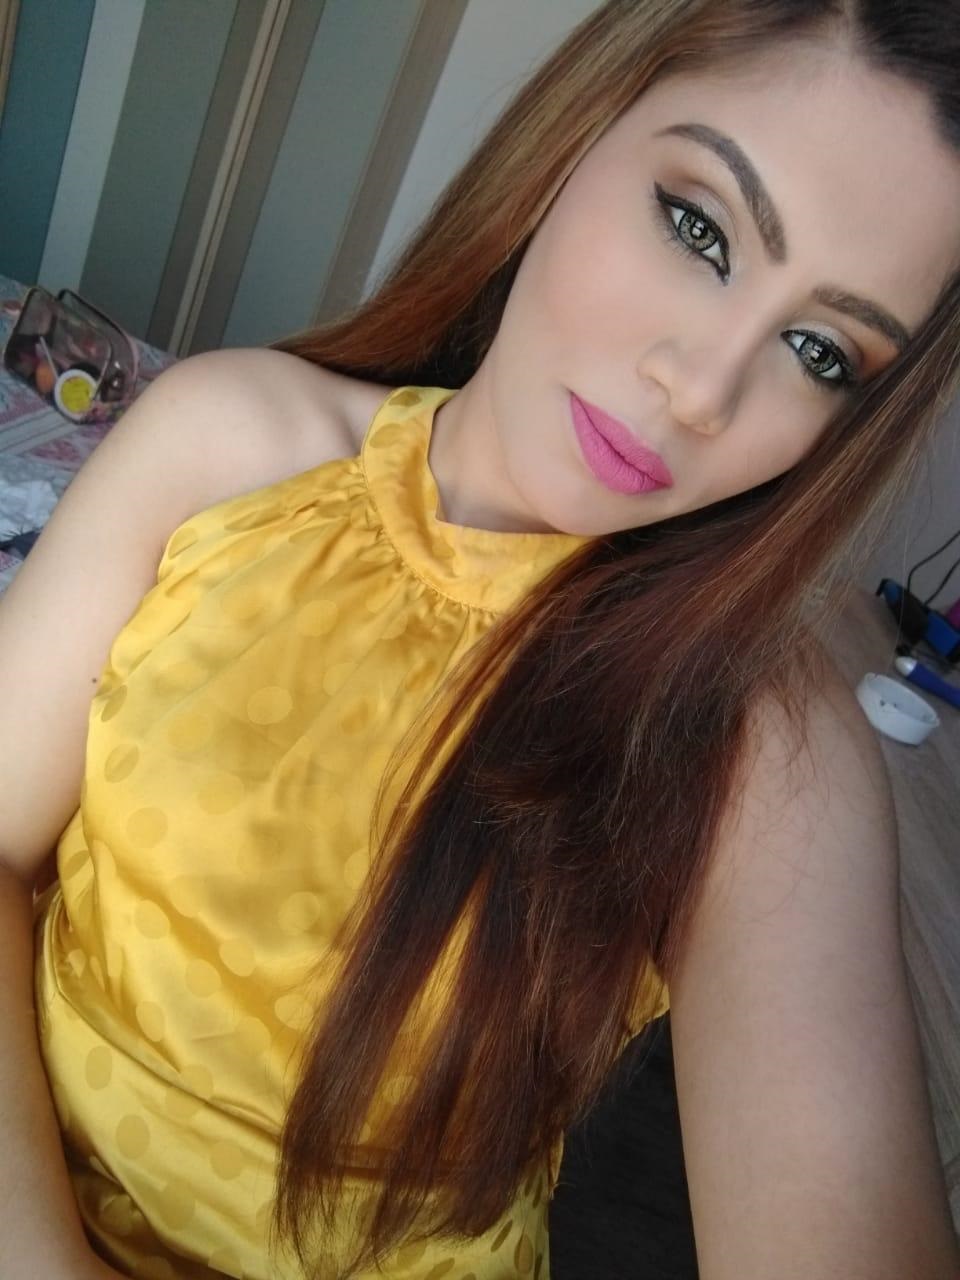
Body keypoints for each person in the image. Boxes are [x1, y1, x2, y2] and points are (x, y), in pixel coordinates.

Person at [2, 1, 960, 1276]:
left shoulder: (755, 748)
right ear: (576, 137)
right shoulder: (226, 444)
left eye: (819, 350)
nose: (701, 388)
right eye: (700, 228)